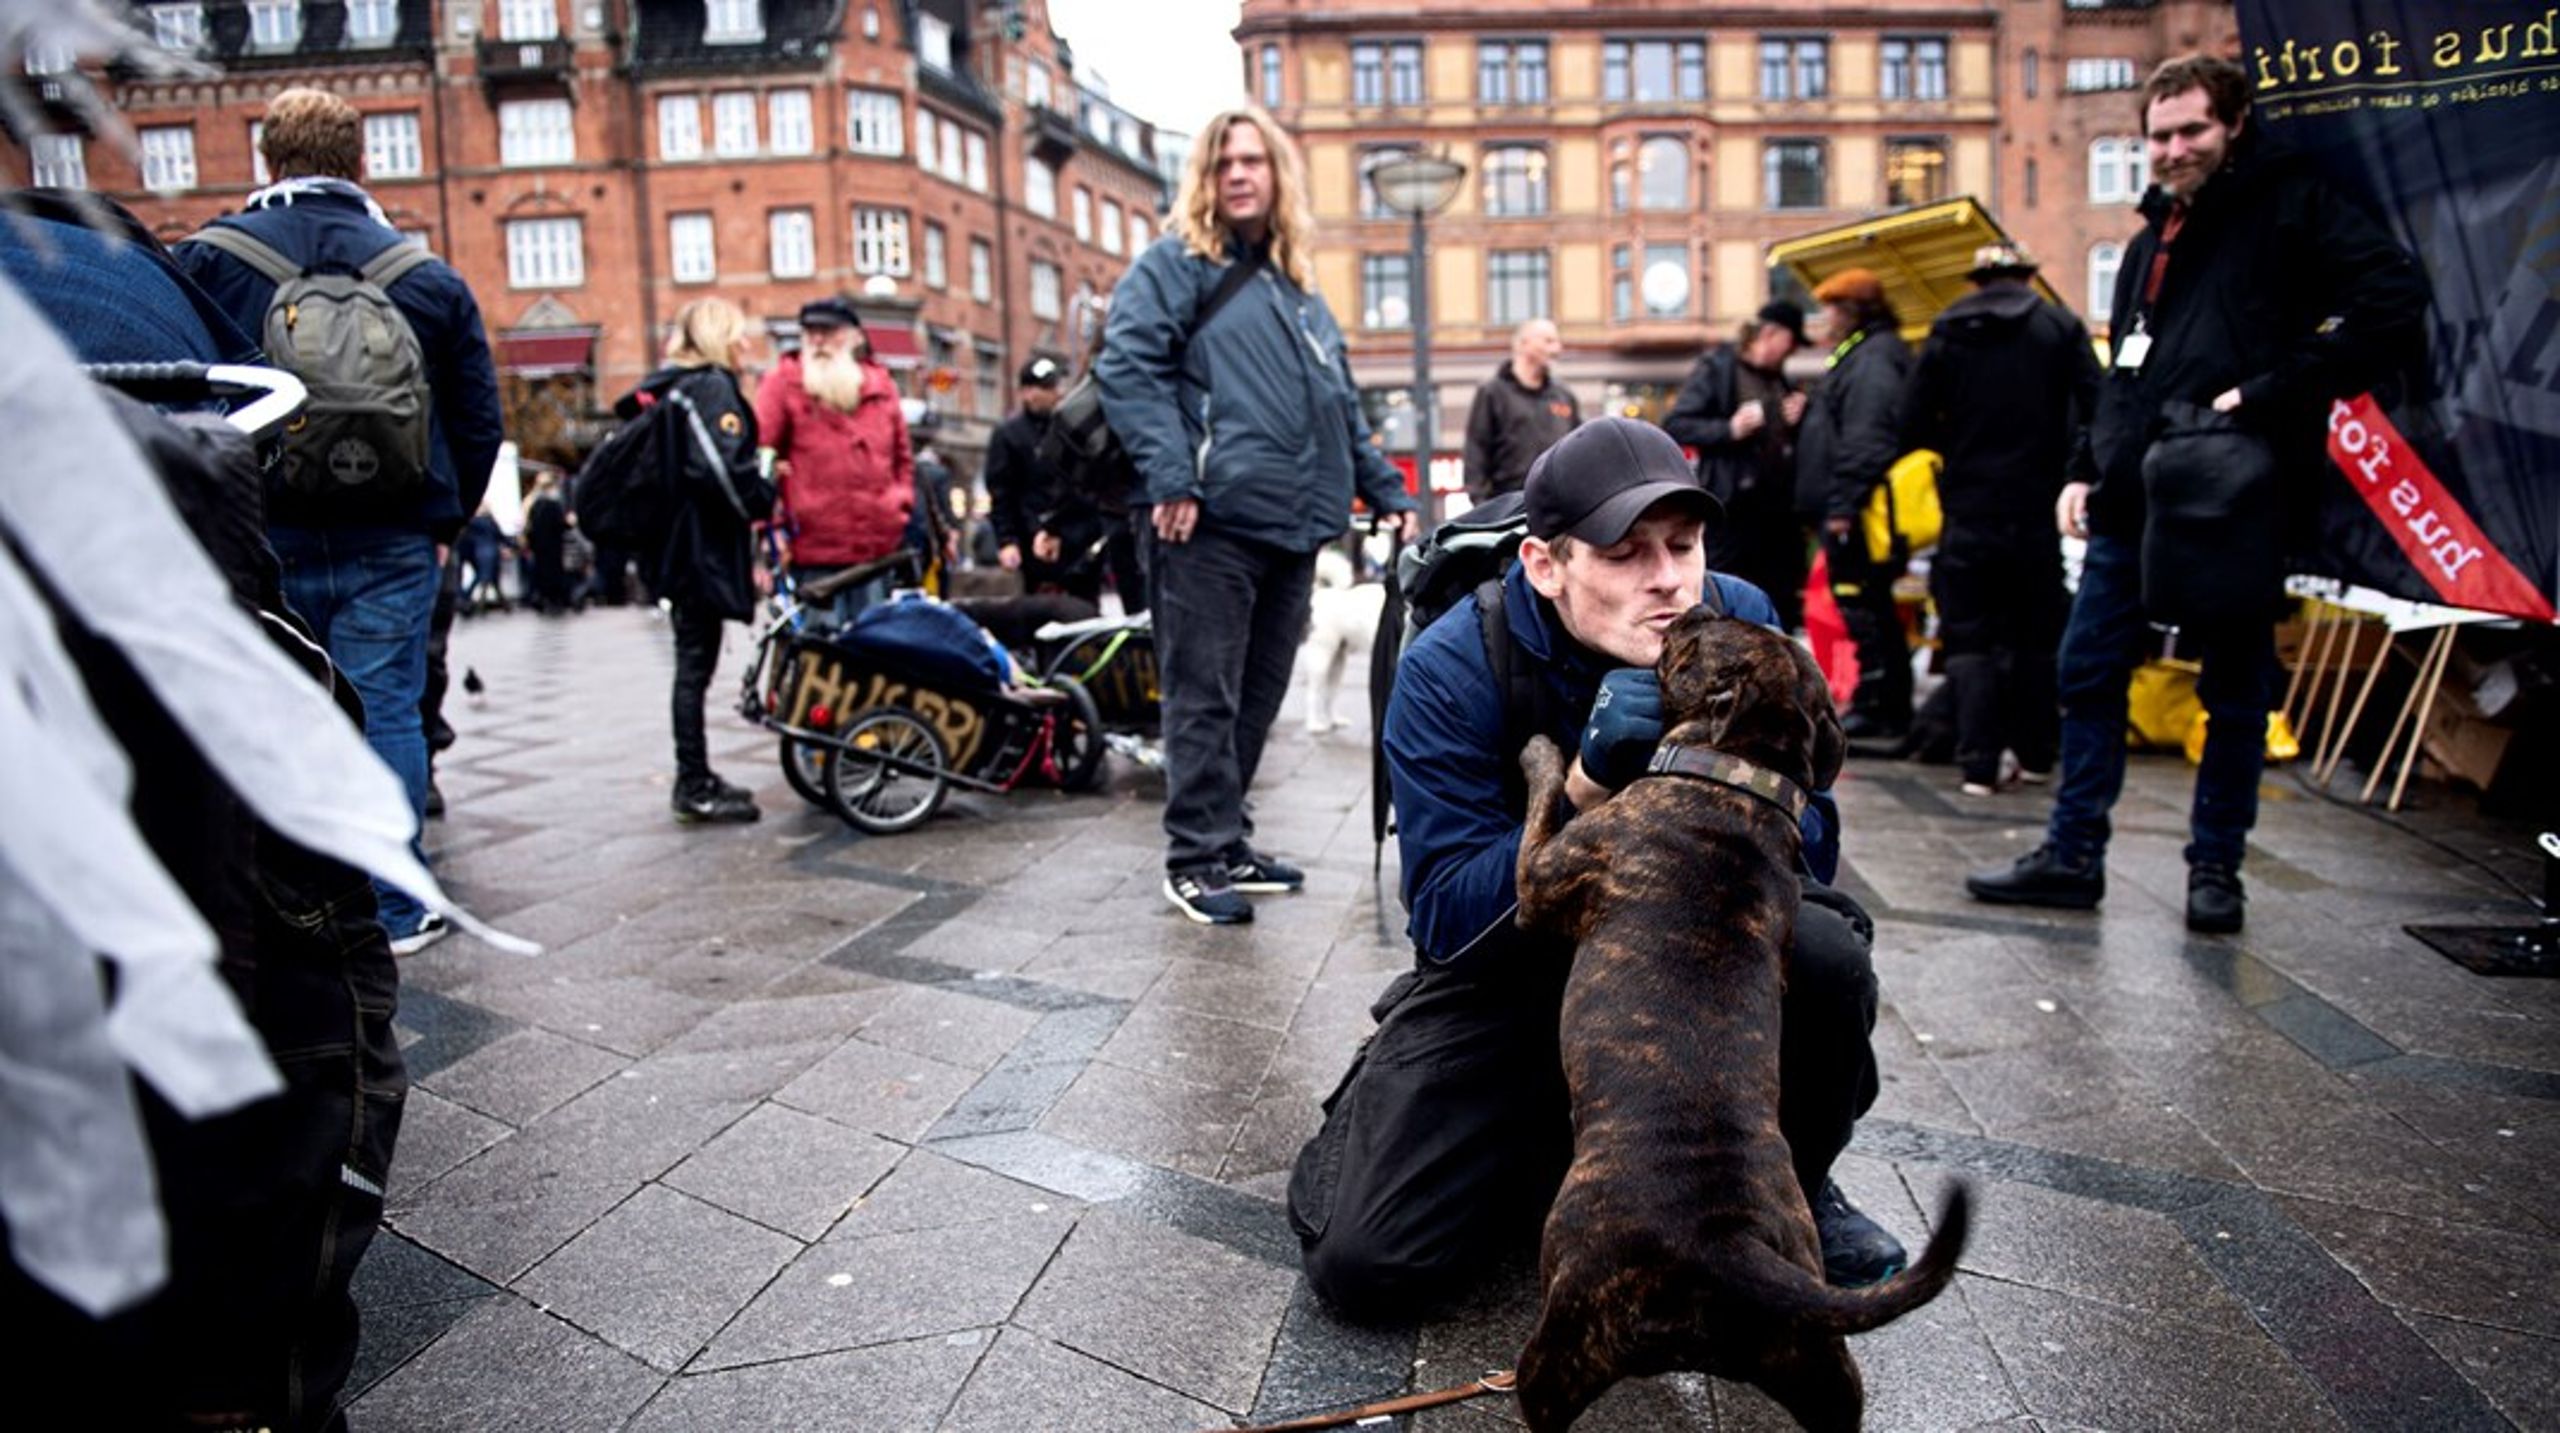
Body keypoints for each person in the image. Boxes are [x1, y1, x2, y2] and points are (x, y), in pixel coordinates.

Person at [1286, 417, 1903, 1320]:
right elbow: (1449, 919)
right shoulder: (1454, 664)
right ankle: (1552, 1149)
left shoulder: (1740, 618)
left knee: (1824, 955)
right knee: (1369, 1267)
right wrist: (1580, 788)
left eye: (1682, 546)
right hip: (1512, 977)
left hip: (1692, 956)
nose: (1666, 580)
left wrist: (1724, 780)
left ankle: (1790, 1184)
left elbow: (1818, 845)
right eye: (1624, 554)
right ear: (1546, 565)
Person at [1966, 55, 2426, 933]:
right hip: (2135, 495)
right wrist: (2083, 465)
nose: (2174, 149)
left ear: (2234, 126)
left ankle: (2217, 868)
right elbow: (2121, 368)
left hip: (2236, 496)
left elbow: (2391, 298)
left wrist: (2267, 392)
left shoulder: (2292, 207)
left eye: (2191, 131)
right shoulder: (2147, 241)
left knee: (2235, 688)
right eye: (2160, 135)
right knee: (2088, 669)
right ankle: (2072, 855)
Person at [176, 87, 505, 957]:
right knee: (387, 708)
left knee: (272, 708)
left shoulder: (210, 264)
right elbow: (478, 421)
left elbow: (180, 399)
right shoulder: (423, 275)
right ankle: (395, 910)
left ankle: (279, 910)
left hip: (259, 530)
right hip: (394, 535)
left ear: (267, 162)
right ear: (362, 164)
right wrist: (446, 517)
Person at [1096, 106, 1420, 926]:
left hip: (1293, 524)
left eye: (1253, 160)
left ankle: (1228, 835)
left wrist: (1386, 488)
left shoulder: (1300, 293)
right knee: (1203, 694)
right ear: (1203, 181)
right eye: (1222, 163)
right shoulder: (1175, 266)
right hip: (1205, 522)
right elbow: (1127, 366)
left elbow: (1338, 408)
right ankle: (1194, 855)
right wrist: (1172, 475)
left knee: (1257, 695)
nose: (1239, 173)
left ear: (1278, 176)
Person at [1900, 244, 2102, 796]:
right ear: (2027, 277)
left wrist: (1958, 448)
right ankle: (2037, 756)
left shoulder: (1947, 330)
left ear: (1979, 279)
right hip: (2036, 508)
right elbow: (2097, 401)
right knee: (2036, 637)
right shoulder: (2058, 327)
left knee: (1969, 641)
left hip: (1968, 508)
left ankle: (1978, 766)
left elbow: (1911, 418)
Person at [637, 298, 777, 824]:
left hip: (681, 546)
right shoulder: (709, 387)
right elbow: (719, 469)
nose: (746, 346)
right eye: (739, 336)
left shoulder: (676, 388)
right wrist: (763, 487)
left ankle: (694, 775)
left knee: (694, 664)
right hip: (698, 552)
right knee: (694, 666)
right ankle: (692, 782)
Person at [1795, 268, 1915, 742]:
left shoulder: (1873, 361)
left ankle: (1881, 706)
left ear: (1851, 312)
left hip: (1859, 515)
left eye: (1831, 311)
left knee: (1866, 607)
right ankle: (1878, 701)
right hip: (1849, 509)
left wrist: (1843, 506)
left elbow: (1867, 439)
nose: (1825, 321)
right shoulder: (1865, 357)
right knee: (1862, 607)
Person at [755, 295, 914, 620]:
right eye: (811, 331)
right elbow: (760, 458)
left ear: (854, 336)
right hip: (813, 548)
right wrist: (769, 528)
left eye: (829, 331)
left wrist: (898, 505)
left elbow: (903, 459)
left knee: (876, 647)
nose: (818, 340)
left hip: (876, 546)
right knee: (819, 651)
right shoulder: (782, 384)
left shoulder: (882, 387)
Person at [1664, 300, 1812, 631]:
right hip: (1732, 512)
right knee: (1727, 603)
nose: (1792, 352)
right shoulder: (1718, 367)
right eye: (1791, 342)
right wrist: (1729, 429)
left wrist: (1799, 417)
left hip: (1777, 516)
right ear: (1770, 334)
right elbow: (1677, 423)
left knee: (1777, 604)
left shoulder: (1779, 377)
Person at [984, 355, 1104, 605]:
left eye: (1055, 387)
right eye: (1047, 388)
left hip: (1078, 536)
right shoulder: (1009, 435)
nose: (1055, 394)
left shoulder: (1070, 425)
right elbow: (1001, 493)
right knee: (1040, 610)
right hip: (1033, 541)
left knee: (1085, 608)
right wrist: (1007, 541)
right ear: (1027, 392)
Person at [1461, 318, 1580, 502]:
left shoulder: (1563, 395)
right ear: (1523, 343)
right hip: (1508, 505)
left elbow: (1579, 445)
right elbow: (1476, 451)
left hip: (1558, 506)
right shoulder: (1492, 392)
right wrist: (1482, 505)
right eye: (1548, 341)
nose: (1557, 349)